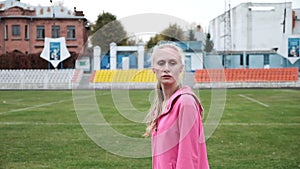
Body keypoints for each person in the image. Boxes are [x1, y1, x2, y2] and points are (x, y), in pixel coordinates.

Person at [144, 41, 210, 169]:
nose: (166, 68)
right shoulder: (163, 105)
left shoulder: (186, 103)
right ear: (153, 68)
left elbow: (188, 158)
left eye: (172, 63)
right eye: (161, 63)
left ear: (181, 68)